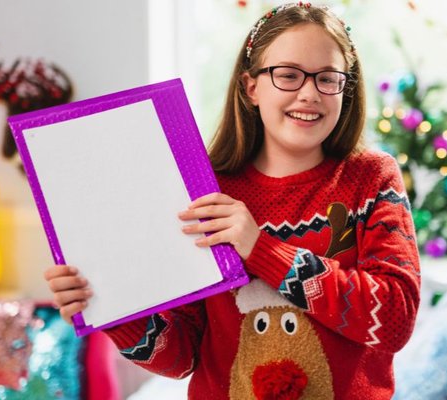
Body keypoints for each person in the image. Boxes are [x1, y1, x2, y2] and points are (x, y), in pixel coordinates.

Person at [44, 3, 420, 399]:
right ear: (251, 86)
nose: (309, 93)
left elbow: (393, 321)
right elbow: (183, 357)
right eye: (288, 75)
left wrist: (260, 248)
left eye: (328, 78)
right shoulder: (202, 192)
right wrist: (111, 310)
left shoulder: (371, 177)